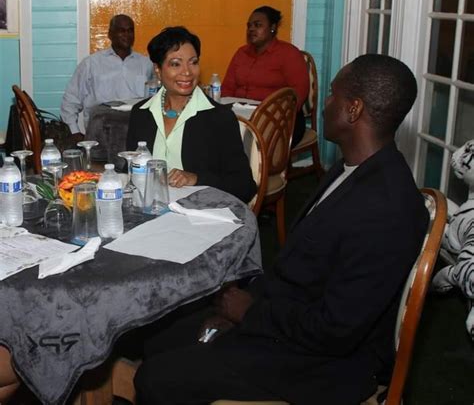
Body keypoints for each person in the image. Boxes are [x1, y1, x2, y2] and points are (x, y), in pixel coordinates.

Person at [134, 54, 430, 405]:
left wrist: (249, 314)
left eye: (333, 95)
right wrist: (240, 307)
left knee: (156, 377)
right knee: (152, 338)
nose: (323, 105)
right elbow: (303, 266)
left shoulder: (387, 208)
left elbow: (335, 330)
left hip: (324, 364)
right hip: (287, 316)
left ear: (353, 110)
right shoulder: (351, 169)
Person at [126, 26, 256, 204]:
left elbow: (244, 186)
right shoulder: (141, 114)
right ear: (157, 69)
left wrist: (196, 179)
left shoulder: (219, 118)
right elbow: (132, 174)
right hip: (150, 210)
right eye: (175, 64)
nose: (187, 72)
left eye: (193, 62)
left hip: (199, 213)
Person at [222, 5, 309, 145]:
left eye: (258, 25)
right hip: (242, 116)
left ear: (272, 28)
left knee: (249, 145)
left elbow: (298, 92)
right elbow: (227, 87)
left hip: (279, 120)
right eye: (249, 25)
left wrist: (271, 116)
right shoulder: (241, 53)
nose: (251, 29)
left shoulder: (288, 53)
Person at [61, 14, 154, 142]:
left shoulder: (146, 64)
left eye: (130, 30)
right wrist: (74, 131)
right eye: (121, 31)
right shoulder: (91, 64)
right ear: (110, 34)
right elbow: (71, 99)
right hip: (101, 135)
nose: (127, 34)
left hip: (137, 134)